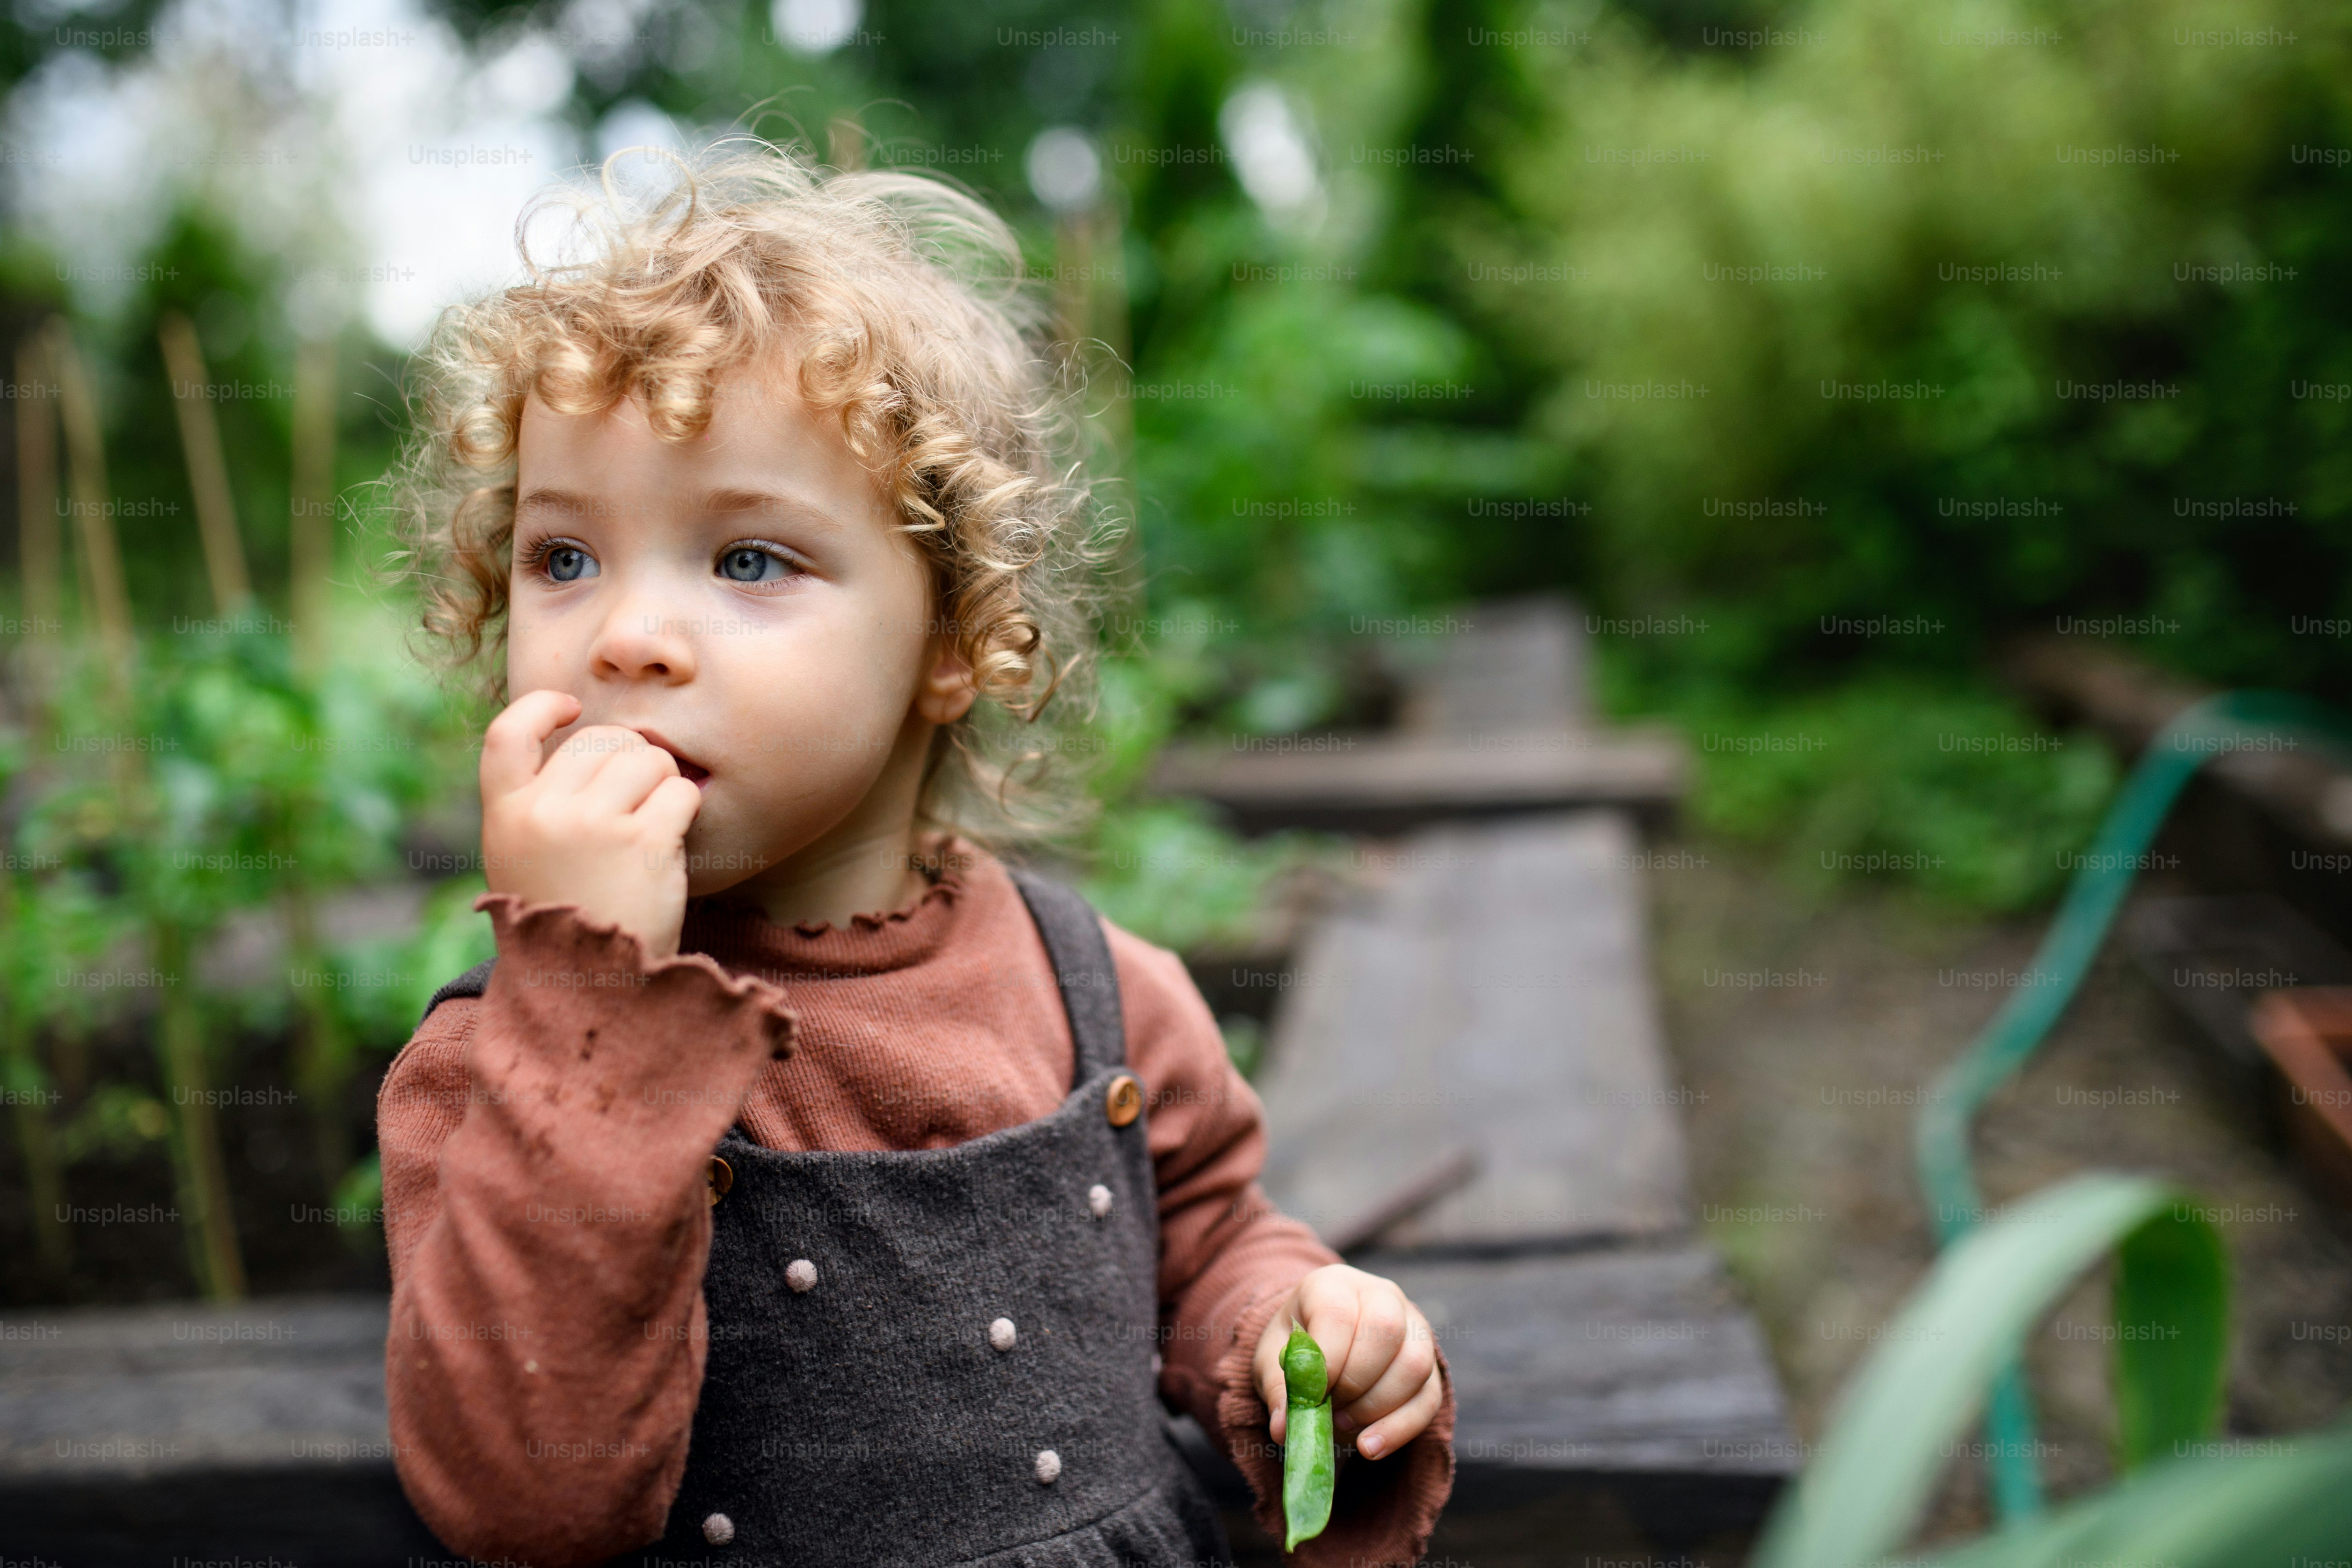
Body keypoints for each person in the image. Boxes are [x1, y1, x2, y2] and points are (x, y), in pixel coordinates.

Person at [377, 139, 1454, 1568]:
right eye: (562, 556)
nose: (624, 635)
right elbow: (526, 1503)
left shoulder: (1094, 991)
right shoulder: (504, 1063)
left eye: (749, 559)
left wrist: (1293, 1324)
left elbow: (1202, 1236)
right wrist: (592, 1004)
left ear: (952, 641)